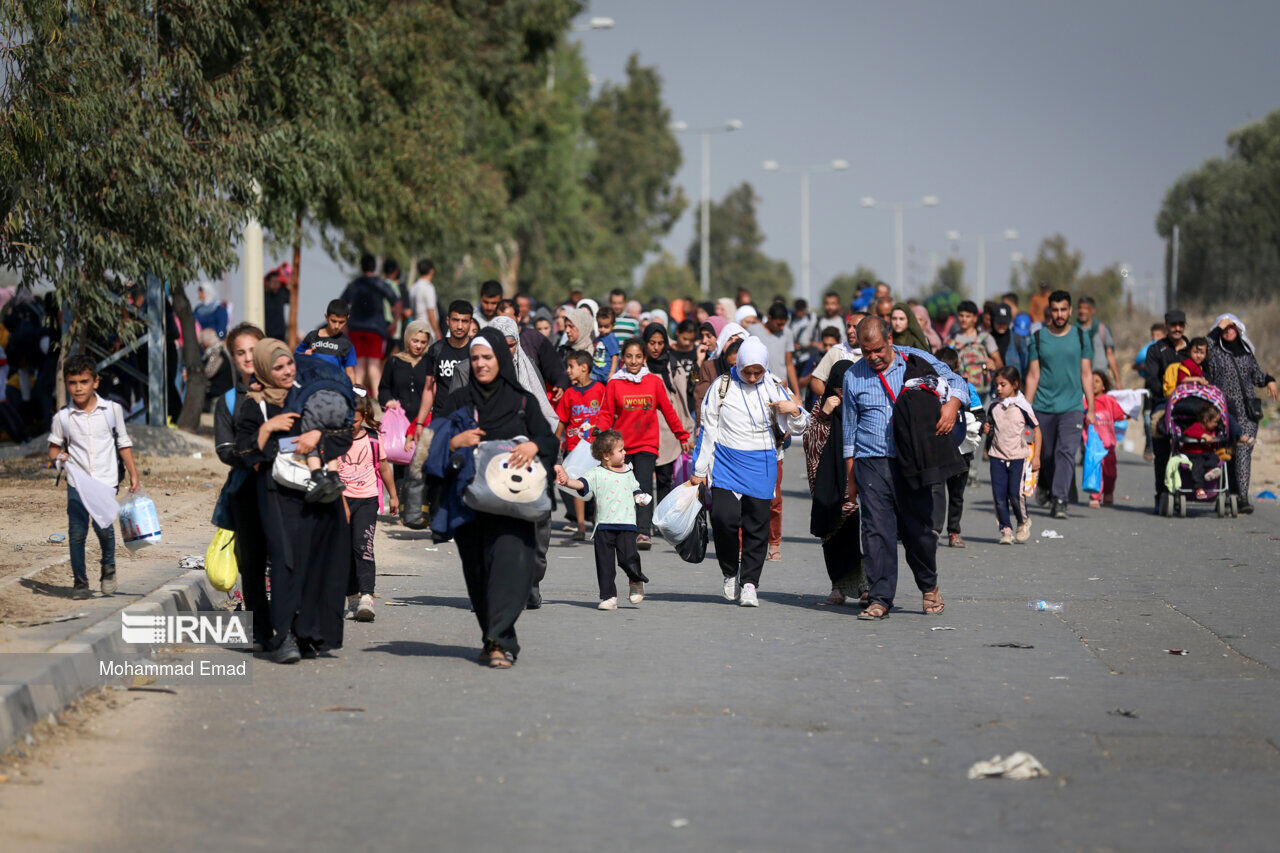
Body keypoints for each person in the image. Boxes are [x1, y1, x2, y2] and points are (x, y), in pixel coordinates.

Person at [431, 329, 559, 668]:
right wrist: (456, 442)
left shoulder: (522, 401)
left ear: (501, 359)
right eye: (475, 358)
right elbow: (434, 441)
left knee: (512, 570)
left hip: (514, 505)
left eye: (487, 357)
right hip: (470, 505)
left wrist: (535, 446)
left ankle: (500, 641)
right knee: (479, 575)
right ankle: (492, 638)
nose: (481, 364)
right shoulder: (460, 401)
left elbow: (548, 441)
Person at [840, 317, 966, 620]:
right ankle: (881, 597)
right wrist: (851, 482)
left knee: (918, 530)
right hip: (871, 462)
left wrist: (951, 406)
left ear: (890, 339)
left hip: (913, 461)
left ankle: (928, 586)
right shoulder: (853, 377)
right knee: (875, 531)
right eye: (865, 352)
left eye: (878, 350)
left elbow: (959, 383)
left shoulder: (916, 359)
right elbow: (849, 432)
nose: (872, 358)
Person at [234, 339, 349, 664]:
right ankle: (282, 635)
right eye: (278, 367)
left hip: (317, 491)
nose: (286, 372)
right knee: (286, 560)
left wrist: (318, 438)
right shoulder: (254, 405)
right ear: (264, 371)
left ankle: (308, 633)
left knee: (318, 560)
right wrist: (268, 428)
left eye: (289, 365)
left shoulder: (311, 392)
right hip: (276, 493)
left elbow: (342, 432)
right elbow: (243, 453)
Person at [690, 337, 809, 607]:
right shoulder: (722, 386)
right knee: (723, 519)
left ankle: (750, 584)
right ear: (739, 364)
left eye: (759, 371)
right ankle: (730, 572)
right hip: (726, 463)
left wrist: (795, 410)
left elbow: (800, 427)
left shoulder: (773, 385)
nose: (754, 377)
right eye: (748, 371)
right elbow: (708, 429)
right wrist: (699, 470)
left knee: (757, 527)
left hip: (762, 463)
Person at [48, 355, 141, 599]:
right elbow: (54, 448)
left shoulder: (112, 411)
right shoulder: (63, 418)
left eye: (84, 381)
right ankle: (80, 582)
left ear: (95, 382)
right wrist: (60, 460)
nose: (78, 388)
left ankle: (108, 568)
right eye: (72, 382)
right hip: (77, 483)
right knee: (77, 531)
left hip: (105, 480)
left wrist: (134, 474)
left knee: (104, 528)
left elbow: (123, 443)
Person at [596, 338, 692, 548]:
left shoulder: (653, 382)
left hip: (647, 444)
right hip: (620, 447)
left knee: (643, 486)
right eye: (629, 356)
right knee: (620, 488)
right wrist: (599, 437)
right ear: (622, 359)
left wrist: (682, 436)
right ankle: (620, 528)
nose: (633, 361)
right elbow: (605, 413)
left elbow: (668, 411)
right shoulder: (615, 383)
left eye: (638, 356)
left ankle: (643, 532)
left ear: (644, 358)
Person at [213, 322, 270, 648]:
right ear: (233, 358)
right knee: (250, 560)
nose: (248, 358)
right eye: (240, 352)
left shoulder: (289, 388)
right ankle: (260, 629)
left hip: (284, 490)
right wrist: (253, 458)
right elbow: (223, 450)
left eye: (253, 349)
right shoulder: (228, 401)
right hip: (245, 491)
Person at [555, 430, 652, 610]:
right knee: (605, 564)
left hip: (627, 525)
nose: (625, 453)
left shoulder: (628, 472)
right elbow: (582, 484)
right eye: (620, 450)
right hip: (603, 526)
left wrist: (639, 497)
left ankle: (636, 579)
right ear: (607, 456)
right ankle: (609, 597)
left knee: (628, 558)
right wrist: (567, 481)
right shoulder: (596, 473)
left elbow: (635, 489)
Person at [402, 301, 475, 529]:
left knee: (465, 472)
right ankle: (437, 517)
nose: (460, 326)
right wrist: (421, 423)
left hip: (469, 423)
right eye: (456, 320)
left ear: (471, 322)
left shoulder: (476, 351)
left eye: (464, 321)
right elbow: (429, 389)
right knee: (437, 471)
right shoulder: (437, 350)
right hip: (441, 422)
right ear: (448, 321)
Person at [1024, 291, 1095, 519]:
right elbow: (1033, 376)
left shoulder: (1081, 337)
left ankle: (1060, 499)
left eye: (1064, 309)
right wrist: (1025, 408)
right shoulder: (1038, 338)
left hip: (1072, 407)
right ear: (1050, 311)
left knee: (1066, 452)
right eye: (1055, 310)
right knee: (1046, 455)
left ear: (1070, 310)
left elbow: (1086, 374)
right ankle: (1045, 483)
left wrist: (1091, 408)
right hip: (1043, 406)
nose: (1059, 314)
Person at [803, 357, 867, 606]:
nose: (841, 392)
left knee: (856, 530)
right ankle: (838, 585)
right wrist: (825, 416)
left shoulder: (860, 404)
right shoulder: (822, 405)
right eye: (838, 387)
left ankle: (865, 586)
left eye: (845, 387)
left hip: (855, 476)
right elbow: (810, 443)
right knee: (831, 532)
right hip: (826, 480)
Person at [1204, 313, 1278, 514]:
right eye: (1225, 328)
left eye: (1232, 328)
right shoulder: (1214, 352)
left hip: (1247, 413)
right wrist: (1217, 328)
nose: (1229, 331)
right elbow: (1203, 347)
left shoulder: (1245, 353)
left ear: (1238, 330)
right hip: (1222, 411)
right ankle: (1227, 494)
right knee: (1226, 453)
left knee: (1244, 452)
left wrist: (1270, 380)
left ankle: (1242, 497)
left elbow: (1257, 375)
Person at [340, 393, 398, 624]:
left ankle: (366, 596)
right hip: (341, 500)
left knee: (362, 547)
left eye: (353, 420)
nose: (349, 425)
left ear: (363, 417)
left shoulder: (373, 439)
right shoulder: (336, 439)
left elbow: (384, 468)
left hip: (367, 500)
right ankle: (352, 597)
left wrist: (393, 495)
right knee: (344, 552)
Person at [984, 366, 1040, 545]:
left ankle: (1023, 521)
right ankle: (1005, 530)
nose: (999, 388)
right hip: (997, 455)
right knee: (999, 496)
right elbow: (991, 428)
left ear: (1015, 384)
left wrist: (1036, 456)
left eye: (1003, 384)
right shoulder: (993, 406)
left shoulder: (1022, 407)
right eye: (997, 385)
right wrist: (986, 430)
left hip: (1017, 456)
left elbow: (1037, 430)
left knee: (1015, 494)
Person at [377, 319, 432, 500]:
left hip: (422, 420)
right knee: (401, 463)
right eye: (415, 341)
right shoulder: (394, 362)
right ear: (407, 339)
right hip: (400, 423)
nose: (418, 346)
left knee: (422, 463)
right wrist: (388, 401)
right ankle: (402, 506)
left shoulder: (430, 363)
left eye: (423, 342)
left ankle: (420, 507)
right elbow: (383, 388)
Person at [555, 350, 606, 540]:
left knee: (598, 486)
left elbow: (608, 413)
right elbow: (562, 419)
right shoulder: (569, 393)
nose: (568, 370)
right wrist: (555, 440)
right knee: (577, 484)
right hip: (574, 445)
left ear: (584, 368)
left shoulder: (600, 389)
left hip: (596, 447)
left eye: (571, 366)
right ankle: (581, 525)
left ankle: (597, 523)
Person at [933, 347, 979, 547]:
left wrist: (981, 425)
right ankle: (934, 530)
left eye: (950, 369)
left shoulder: (968, 388)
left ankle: (954, 531)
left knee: (957, 493)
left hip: (962, 450)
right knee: (936, 490)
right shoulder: (932, 387)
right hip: (938, 449)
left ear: (957, 367)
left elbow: (979, 412)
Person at [1144, 309, 1189, 510]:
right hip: (1164, 403)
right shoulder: (1156, 350)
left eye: (1181, 324)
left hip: (1191, 404)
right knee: (1161, 449)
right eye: (1173, 325)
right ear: (1166, 326)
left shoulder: (1193, 349)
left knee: (1194, 445)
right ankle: (1161, 494)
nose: (1177, 328)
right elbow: (1152, 379)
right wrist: (1168, 395)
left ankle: (1190, 489)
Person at [340, 254, 402, 390]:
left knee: (359, 366)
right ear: (375, 267)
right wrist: (395, 322)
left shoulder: (354, 284)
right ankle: (379, 403)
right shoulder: (380, 284)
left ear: (361, 267)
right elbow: (397, 302)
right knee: (374, 366)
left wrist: (343, 324)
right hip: (375, 329)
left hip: (356, 328)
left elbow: (341, 304)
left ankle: (357, 400)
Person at [1086, 370, 1128, 508]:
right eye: (1090, 381)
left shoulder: (1109, 401)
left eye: (1097, 381)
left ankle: (1108, 492)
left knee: (1110, 473)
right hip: (1092, 447)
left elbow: (1120, 416)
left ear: (1104, 386)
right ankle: (1095, 495)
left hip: (1108, 445)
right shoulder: (1085, 401)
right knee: (1094, 471)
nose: (1093, 384)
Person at [947, 300, 1002, 400]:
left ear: (975, 318)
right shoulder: (951, 341)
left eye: (968, 316)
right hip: (960, 393)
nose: (964, 319)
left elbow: (999, 363)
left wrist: (994, 365)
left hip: (984, 395)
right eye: (961, 315)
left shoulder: (985, 338)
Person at [693, 322, 748, 421]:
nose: (733, 343)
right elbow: (701, 397)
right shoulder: (709, 366)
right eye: (729, 339)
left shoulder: (750, 368)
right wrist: (700, 423)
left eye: (737, 340)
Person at [296, 299, 357, 383]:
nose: (337, 326)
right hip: (312, 385)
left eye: (341, 322)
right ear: (326, 317)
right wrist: (305, 356)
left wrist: (354, 392)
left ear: (347, 319)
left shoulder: (347, 344)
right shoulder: (312, 337)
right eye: (333, 321)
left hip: (335, 387)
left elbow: (350, 372)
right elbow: (295, 358)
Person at [749, 302, 801, 398]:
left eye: (783, 325)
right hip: (759, 385)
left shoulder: (787, 333)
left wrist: (797, 393)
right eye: (778, 324)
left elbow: (789, 364)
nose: (781, 328)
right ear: (769, 318)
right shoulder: (753, 331)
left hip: (781, 386)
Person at [807, 313, 865, 399]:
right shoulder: (837, 351)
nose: (849, 331)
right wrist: (833, 402)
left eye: (855, 327)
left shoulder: (875, 353)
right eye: (848, 326)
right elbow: (816, 381)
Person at [1076, 296, 1120, 387]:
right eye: (1080, 308)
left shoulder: (1102, 329)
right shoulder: (1073, 331)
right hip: (1079, 381)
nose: (1082, 311)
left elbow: (1110, 354)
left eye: (1085, 308)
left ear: (1092, 310)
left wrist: (1118, 381)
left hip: (1100, 379)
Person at [988, 303, 1028, 374]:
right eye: (999, 322)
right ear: (992, 321)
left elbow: (1025, 366)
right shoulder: (985, 340)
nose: (1002, 325)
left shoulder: (1018, 340)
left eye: (1005, 322)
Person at [201, 327, 234, 407]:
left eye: (201, 343)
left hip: (219, 397)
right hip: (221, 395)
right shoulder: (219, 350)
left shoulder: (216, 352)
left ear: (205, 342)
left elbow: (208, 372)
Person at [410, 259, 441, 342]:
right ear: (431, 271)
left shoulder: (414, 287)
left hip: (416, 328)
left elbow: (412, 311)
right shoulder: (428, 287)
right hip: (428, 330)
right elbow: (431, 313)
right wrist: (437, 331)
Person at [592, 307, 621, 383]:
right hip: (597, 372)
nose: (602, 329)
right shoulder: (599, 338)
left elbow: (615, 356)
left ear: (613, 325)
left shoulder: (611, 338)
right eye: (600, 326)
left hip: (607, 373)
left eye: (606, 326)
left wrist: (612, 372)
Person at [263, 267, 290, 341]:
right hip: (266, 333)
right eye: (274, 282)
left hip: (281, 334)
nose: (276, 285)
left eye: (278, 282)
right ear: (268, 283)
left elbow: (291, 299)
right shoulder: (262, 296)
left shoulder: (282, 293)